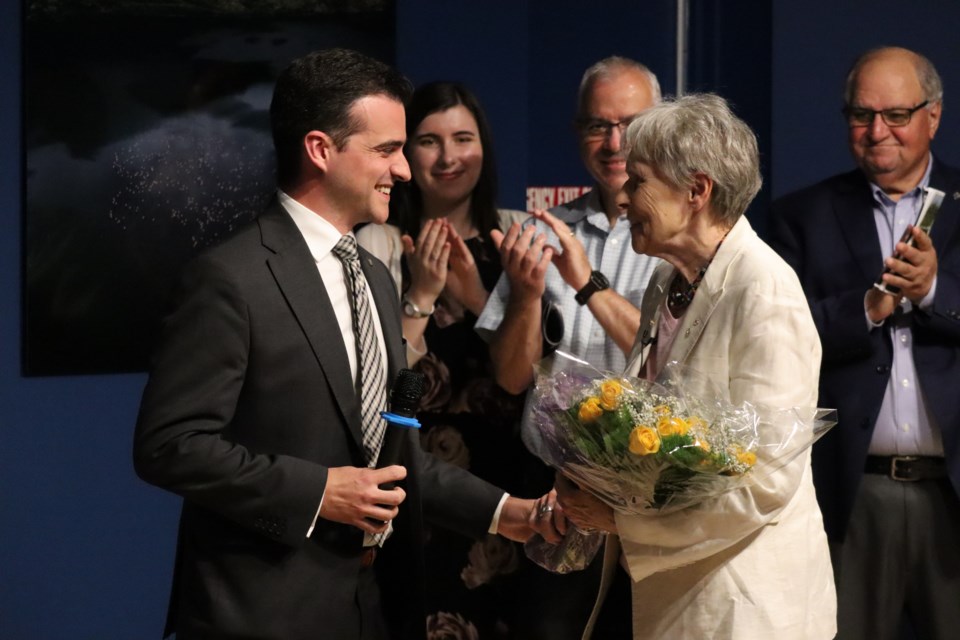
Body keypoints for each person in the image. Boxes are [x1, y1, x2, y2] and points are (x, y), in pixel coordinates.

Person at [132, 48, 551, 640]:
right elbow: (169, 445)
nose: (404, 170)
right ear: (321, 150)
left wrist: (510, 513)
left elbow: (392, 448)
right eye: (387, 150)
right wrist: (318, 491)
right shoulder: (231, 278)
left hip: (371, 606)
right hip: (260, 613)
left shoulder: (376, 278)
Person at [549, 93, 837, 639]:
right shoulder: (668, 281)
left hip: (740, 605)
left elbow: (765, 484)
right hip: (665, 593)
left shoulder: (765, 289)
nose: (623, 196)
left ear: (697, 191)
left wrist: (626, 521)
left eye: (638, 182)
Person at [769, 46, 960, 640]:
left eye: (896, 115)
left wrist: (933, 293)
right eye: (861, 115)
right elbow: (780, 341)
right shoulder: (801, 216)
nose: (878, 132)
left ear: (933, 115)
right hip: (851, 493)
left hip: (953, 493)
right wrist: (868, 308)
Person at [474, 56, 663, 639]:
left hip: (657, 488)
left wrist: (588, 286)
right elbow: (509, 378)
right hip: (559, 492)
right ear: (577, 132)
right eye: (596, 126)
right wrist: (529, 297)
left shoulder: (682, 237)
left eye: (630, 125)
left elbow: (671, 361)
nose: (613, 143)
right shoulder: (541, 232)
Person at [355, 81, 530, 636]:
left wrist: (481, 298)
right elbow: (385, 388)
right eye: (429, 141)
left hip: (509, 489)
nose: (450, 157)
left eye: (463, 138)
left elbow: (523, 377)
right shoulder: (379, 243)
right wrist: (423, 296)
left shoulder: (517, 234)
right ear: (405, 153)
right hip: (419, 492)